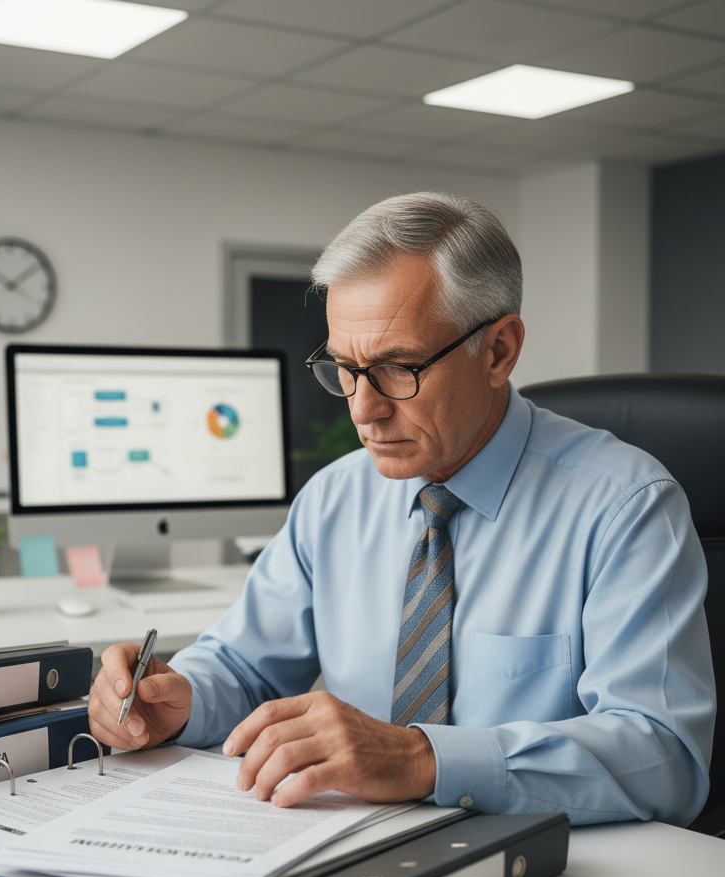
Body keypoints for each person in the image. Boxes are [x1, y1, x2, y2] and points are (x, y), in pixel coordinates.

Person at [88, 192, 716, 826]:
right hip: (350, 848)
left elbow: (663, 757)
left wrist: (422, 759)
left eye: (397, 368)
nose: (363, 408)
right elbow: (244, 664)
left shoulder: (626, 507)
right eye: (345, 369)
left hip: (553, 869)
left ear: (498, 350)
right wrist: (180, 698)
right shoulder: (334, 499)